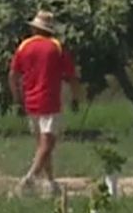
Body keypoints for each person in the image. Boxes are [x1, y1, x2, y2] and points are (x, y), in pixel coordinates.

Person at [9, 10, 82, 194]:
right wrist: (75, 97)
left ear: (34, 29)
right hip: (50, 100)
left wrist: (17, 97)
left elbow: (13, 75)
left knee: (42, 144)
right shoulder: (56, 47)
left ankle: (51, 182)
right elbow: (72, 76)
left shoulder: (23, 47)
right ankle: (30, 178)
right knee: (47, 144)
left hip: (31, 101)